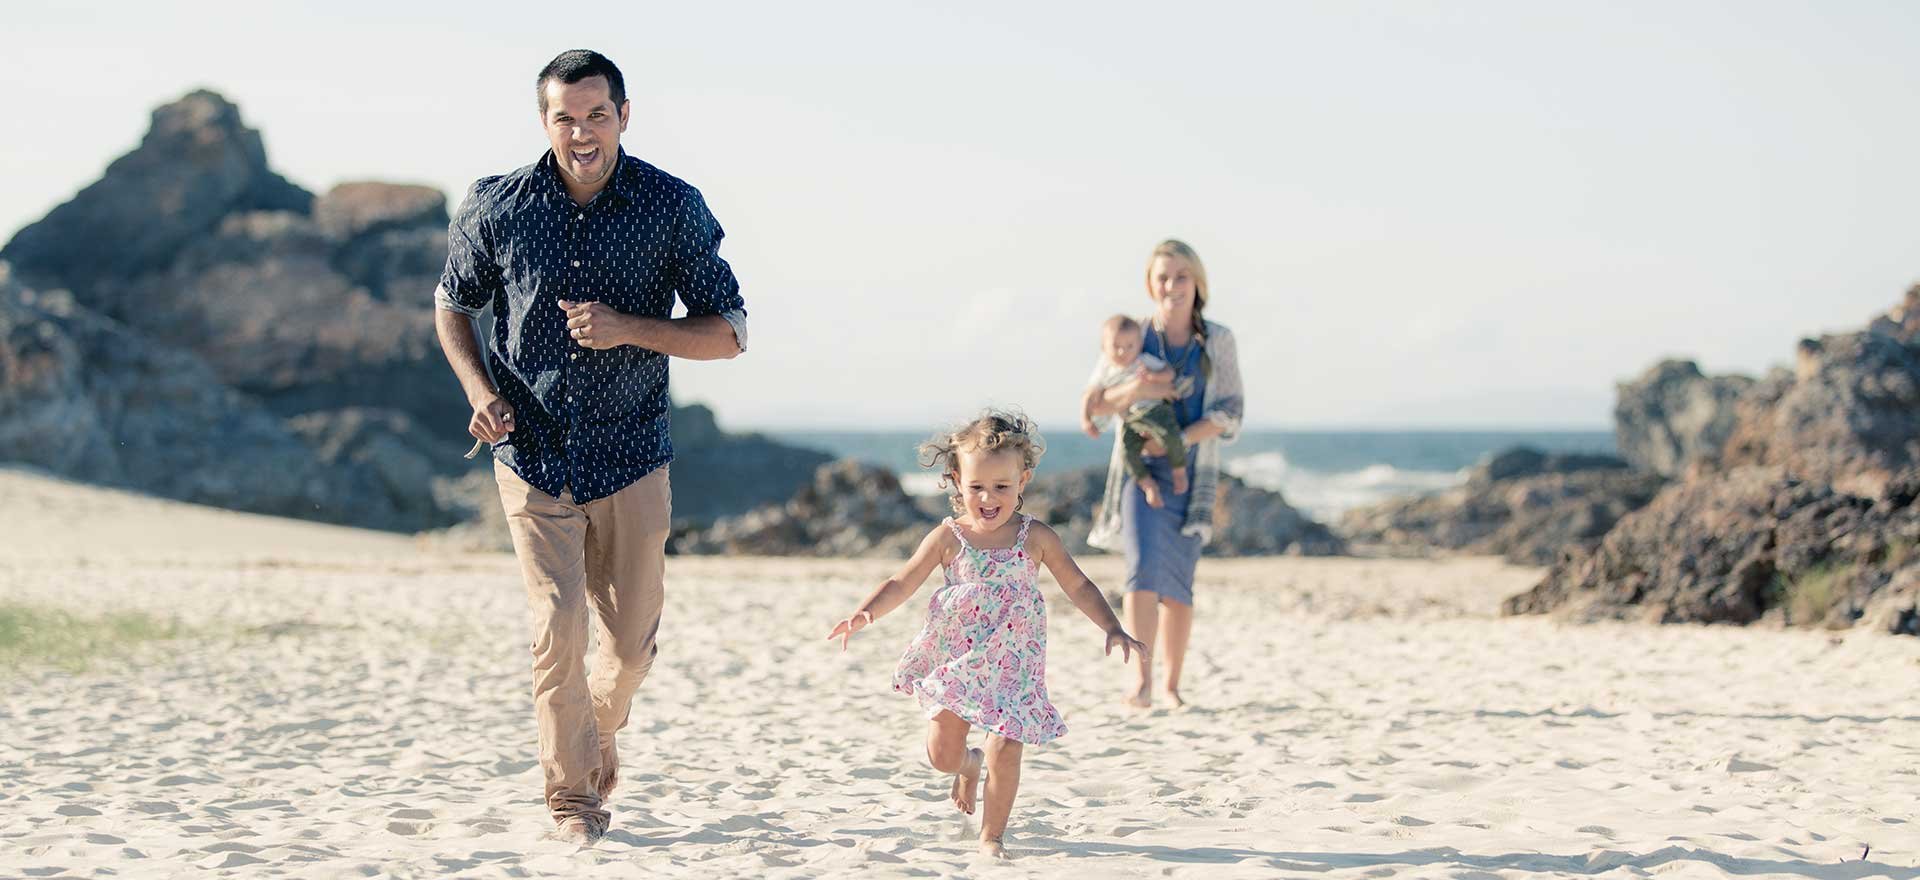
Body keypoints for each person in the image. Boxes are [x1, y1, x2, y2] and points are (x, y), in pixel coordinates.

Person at [432, 49, 748, 845]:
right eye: (565, 118)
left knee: (630, 649)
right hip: (532, 455)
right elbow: (452, 305)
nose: (581, 133)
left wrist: (628, 328)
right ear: (544, 121)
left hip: (632, 452)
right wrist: (479, 391)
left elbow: (728, 334)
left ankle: (598, 728)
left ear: (624, 116)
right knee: (558, 629)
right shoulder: (497, 206)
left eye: (596, 116)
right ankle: (572, 802)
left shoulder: (671, 205)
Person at [825, 411, 1146, 859]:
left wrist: (1112, 626)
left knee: (1007, 749)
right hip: (957, 660)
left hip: (1014, 662)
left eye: (1001, 486)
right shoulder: (948, 537)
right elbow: (902, 581)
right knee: (942, 755)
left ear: (1023, 481)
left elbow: (1078, 585)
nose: (988, 497)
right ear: (957, 481)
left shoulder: (1036, 537)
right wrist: (866, 612)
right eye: (976, 486)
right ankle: (968, 764)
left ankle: (992, 836)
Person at [1083, 240, 1243, 711]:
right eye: (1163, 277)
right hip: (1139, 474)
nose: (1172, 285)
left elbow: (1231, 411)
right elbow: (1097, 402)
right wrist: (1138, 388)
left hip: (1193, 477)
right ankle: (1141, 681)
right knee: (1140, 573)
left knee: (1178, 584)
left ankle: (1171, 686)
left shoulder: (1218, 340)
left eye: (1181, 276)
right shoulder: (1132, 335)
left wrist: (1179, 441)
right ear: (1150, 285)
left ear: (1197, 283)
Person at [1080, 314, 1190, 508]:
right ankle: (1147, 484)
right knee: (1127, 453)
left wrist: (1153, 376)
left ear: (1139, 345)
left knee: (1170, 436)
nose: (1123, 351)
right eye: (1116, 346)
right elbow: (1089, 395)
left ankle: (1179, 470)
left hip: (1154, 410)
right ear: (1104, 347)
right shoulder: (1105, 370)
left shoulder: (1142, 361)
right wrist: (1086, 419)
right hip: (1130, 419)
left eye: (1129, 346)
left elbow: (1169, 374)